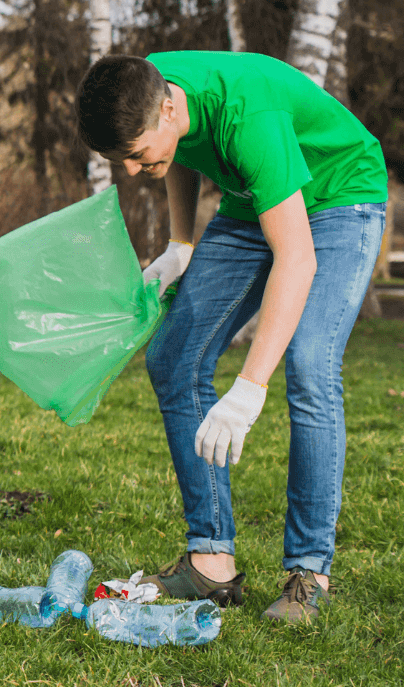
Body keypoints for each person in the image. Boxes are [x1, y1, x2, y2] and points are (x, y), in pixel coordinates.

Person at [78, 52, 386, 623]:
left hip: (340, 196)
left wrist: (248, 388)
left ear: (169, 110)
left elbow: (297, 259)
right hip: (252, 200)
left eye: (136, 154)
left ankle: (308, 572)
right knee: (173, 358)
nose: (130, 170)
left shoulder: (249, 118)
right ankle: (210, 560)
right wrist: (180, 244)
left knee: (310, 363)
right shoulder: (148, 89)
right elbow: (181, 157)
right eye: (117, 159)